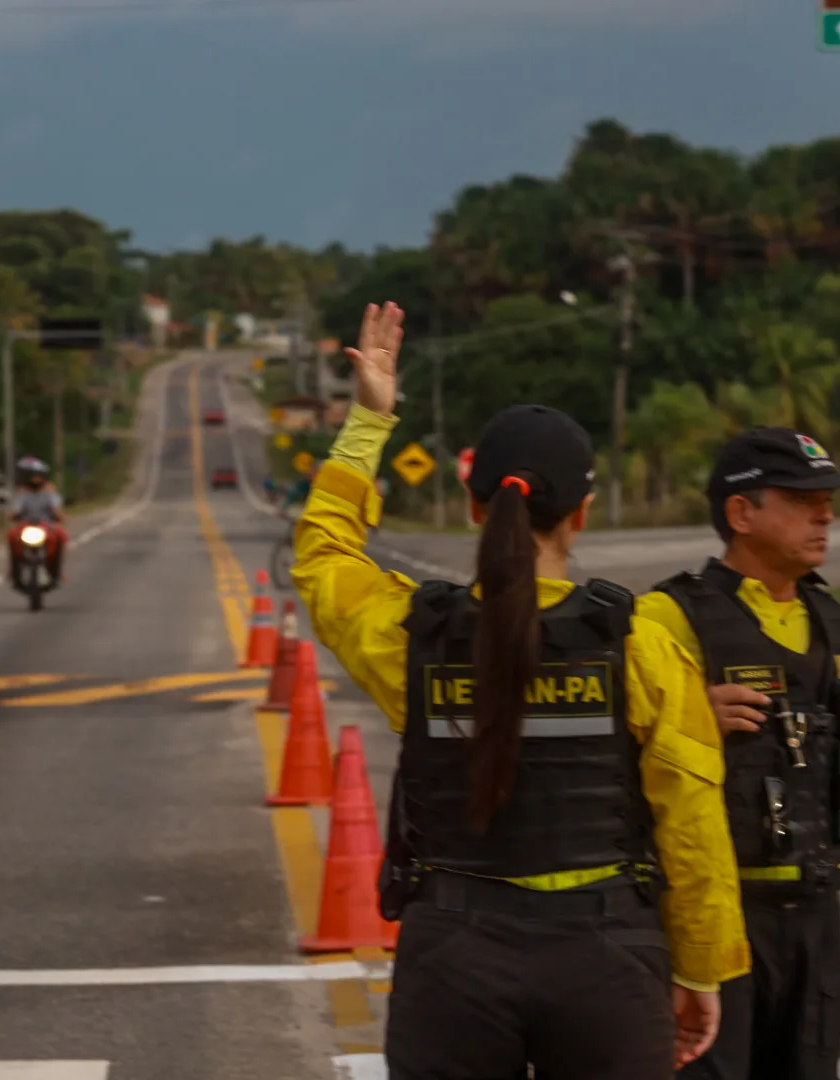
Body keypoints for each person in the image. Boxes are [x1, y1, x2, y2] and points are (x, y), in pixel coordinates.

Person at [293, 302, 748, 1079]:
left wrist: (371, 420)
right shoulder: (636, 641)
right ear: (582, 513)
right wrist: (700, 969)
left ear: (476, 507)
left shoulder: (417, 635)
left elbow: (323, 555)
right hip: (606, 962)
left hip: (453, 964)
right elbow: (693, 820)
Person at [637, 427, 840, 1080]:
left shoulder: (835, 620)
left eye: (828, 498)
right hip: (711, 926)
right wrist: (689, 718)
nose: (825, 513)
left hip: (816, 920)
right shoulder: (666, 617)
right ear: (741, 513)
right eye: (802, 498)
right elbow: (611, 758)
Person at [7, 456, 68, 583]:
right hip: (26, 525)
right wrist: (13, 515)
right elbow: (16, 509)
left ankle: (58, 570)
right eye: (33, 476)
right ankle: (13, 569)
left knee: (61, 536)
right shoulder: (22, 493)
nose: (36, 479)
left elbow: (56, 508)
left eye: (38, 476)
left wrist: (59, 516)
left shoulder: (50, 492)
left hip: (46, 525)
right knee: (11, 536)